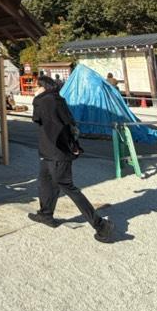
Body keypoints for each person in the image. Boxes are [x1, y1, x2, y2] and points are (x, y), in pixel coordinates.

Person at [29, 75, 114, 242]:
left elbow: (37, 118)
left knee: (68, 188)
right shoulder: (57, 99)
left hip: (56, 152)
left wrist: (37, 98)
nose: (34, 90)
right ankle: (45, 214)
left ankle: (101, 225)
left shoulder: (45, 100)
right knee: (45, 181)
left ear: (43, 87)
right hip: (52, 151)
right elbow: (66, 124)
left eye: (36, 86)